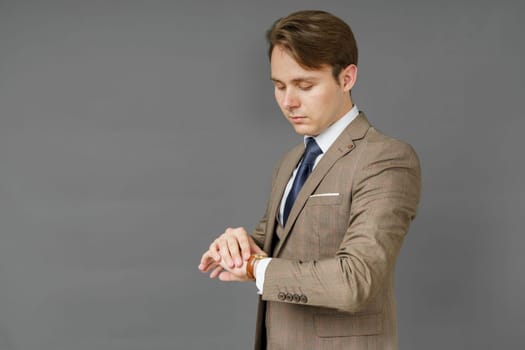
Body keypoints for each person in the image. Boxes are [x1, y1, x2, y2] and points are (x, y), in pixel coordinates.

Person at [198, 10, 421, 350]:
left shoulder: (385, 159)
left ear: (347, 78)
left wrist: (257, 268)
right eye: (279, 86)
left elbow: (356, 280)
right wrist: (237, 245)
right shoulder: (289, 162)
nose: (288, 102)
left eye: (305, 85)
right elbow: (276, 246)